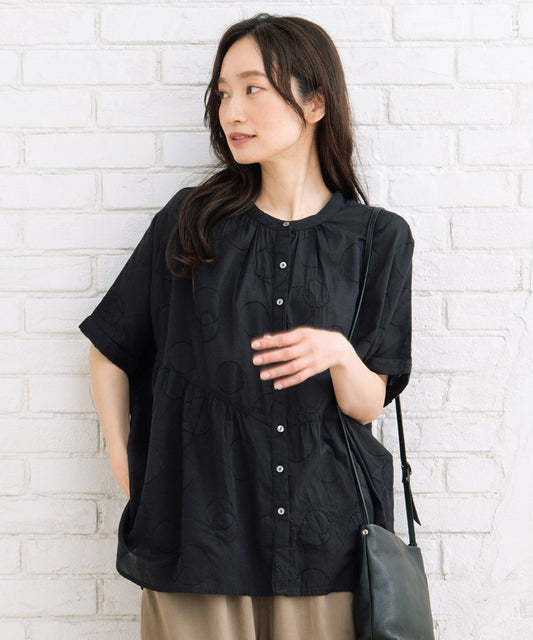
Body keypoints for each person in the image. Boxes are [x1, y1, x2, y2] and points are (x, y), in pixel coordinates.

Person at [79, 12, 414, 640]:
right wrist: (131, 475)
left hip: (325, 543)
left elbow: (368, 403)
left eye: (253, 88)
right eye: (223, 94)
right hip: (196, 540)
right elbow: (111, 347)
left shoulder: (377, 239)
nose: (231, 110)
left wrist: (339, 353)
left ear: (315, 102)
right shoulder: (192, 223)